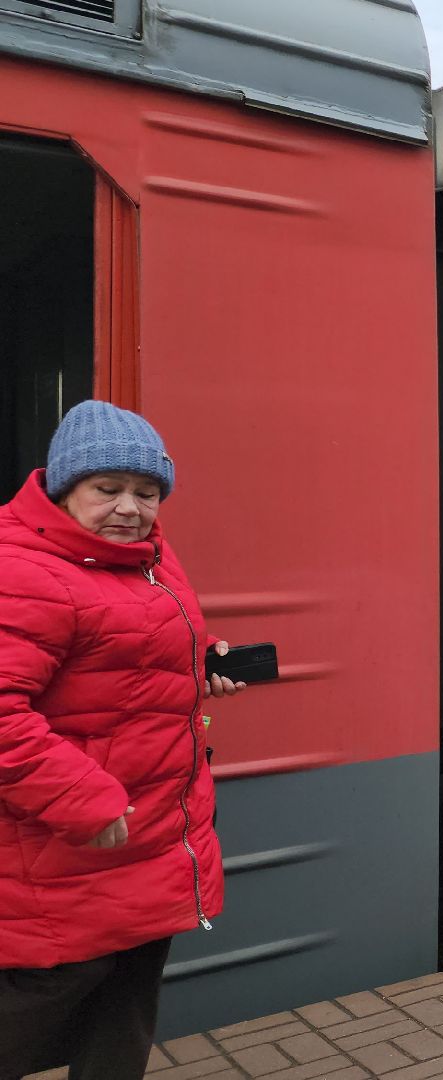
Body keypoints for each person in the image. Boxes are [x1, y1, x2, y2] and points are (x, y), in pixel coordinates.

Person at [0, 401, 247, 1079]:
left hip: (156, 832)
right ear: (62, 489)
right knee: (52, 987)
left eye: (146, 492)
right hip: (67, 844)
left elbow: (126, 664)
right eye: (107, 489)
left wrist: (203, 668)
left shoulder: (149, 560)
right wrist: (82, 798)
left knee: (126, 1005)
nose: (130, 508)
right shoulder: (23, 569)